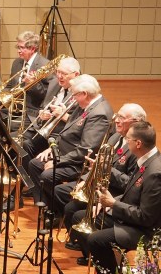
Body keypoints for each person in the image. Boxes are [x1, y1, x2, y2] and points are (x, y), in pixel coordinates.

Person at [72, 121, 161, 274]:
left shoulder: (156, 173)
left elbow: (146, 217)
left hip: (149, 230)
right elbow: (132, 191)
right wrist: (108, 203)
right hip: (134, 218)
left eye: (128, 139)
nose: (125, 142)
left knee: (97, 239)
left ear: (138, 143)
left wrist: (113, 204)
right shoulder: (146, 160)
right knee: (81, 218)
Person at [63, 103, 146, 253]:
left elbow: (130, 183)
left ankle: (91, 251)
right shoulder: (115, 136)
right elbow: (99, 162)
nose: (117, 120)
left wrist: (107, 168)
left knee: (75, 212)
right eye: (117, 115)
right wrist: (86, 180)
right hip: (101, 185)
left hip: (114, 193)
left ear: (136, 122)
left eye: (122, 118)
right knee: (68, 204)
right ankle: (82, 243)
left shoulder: (136, 148)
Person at [25, 74, 112, 213]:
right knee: (34, 164)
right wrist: (52, 148)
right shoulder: (83, 105)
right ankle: (47, 206)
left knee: (47, 175)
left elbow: (85, 150)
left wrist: (57, 161)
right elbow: (67, 130)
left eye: (74, 94)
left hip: (79, 162)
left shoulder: (99, 114)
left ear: (84, 94)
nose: (73, 98)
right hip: (66, 153)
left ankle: (58, 211)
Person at [6, 31, 50, 122]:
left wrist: (33, 83)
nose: (18, 51)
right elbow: (10, 86)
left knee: (8, 126)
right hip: (15, 107)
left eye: (22, 48)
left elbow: (46, 94)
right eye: (18, 47)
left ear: (32, 49)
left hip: (32, 112)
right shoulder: (17, 63)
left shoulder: (45, 65)